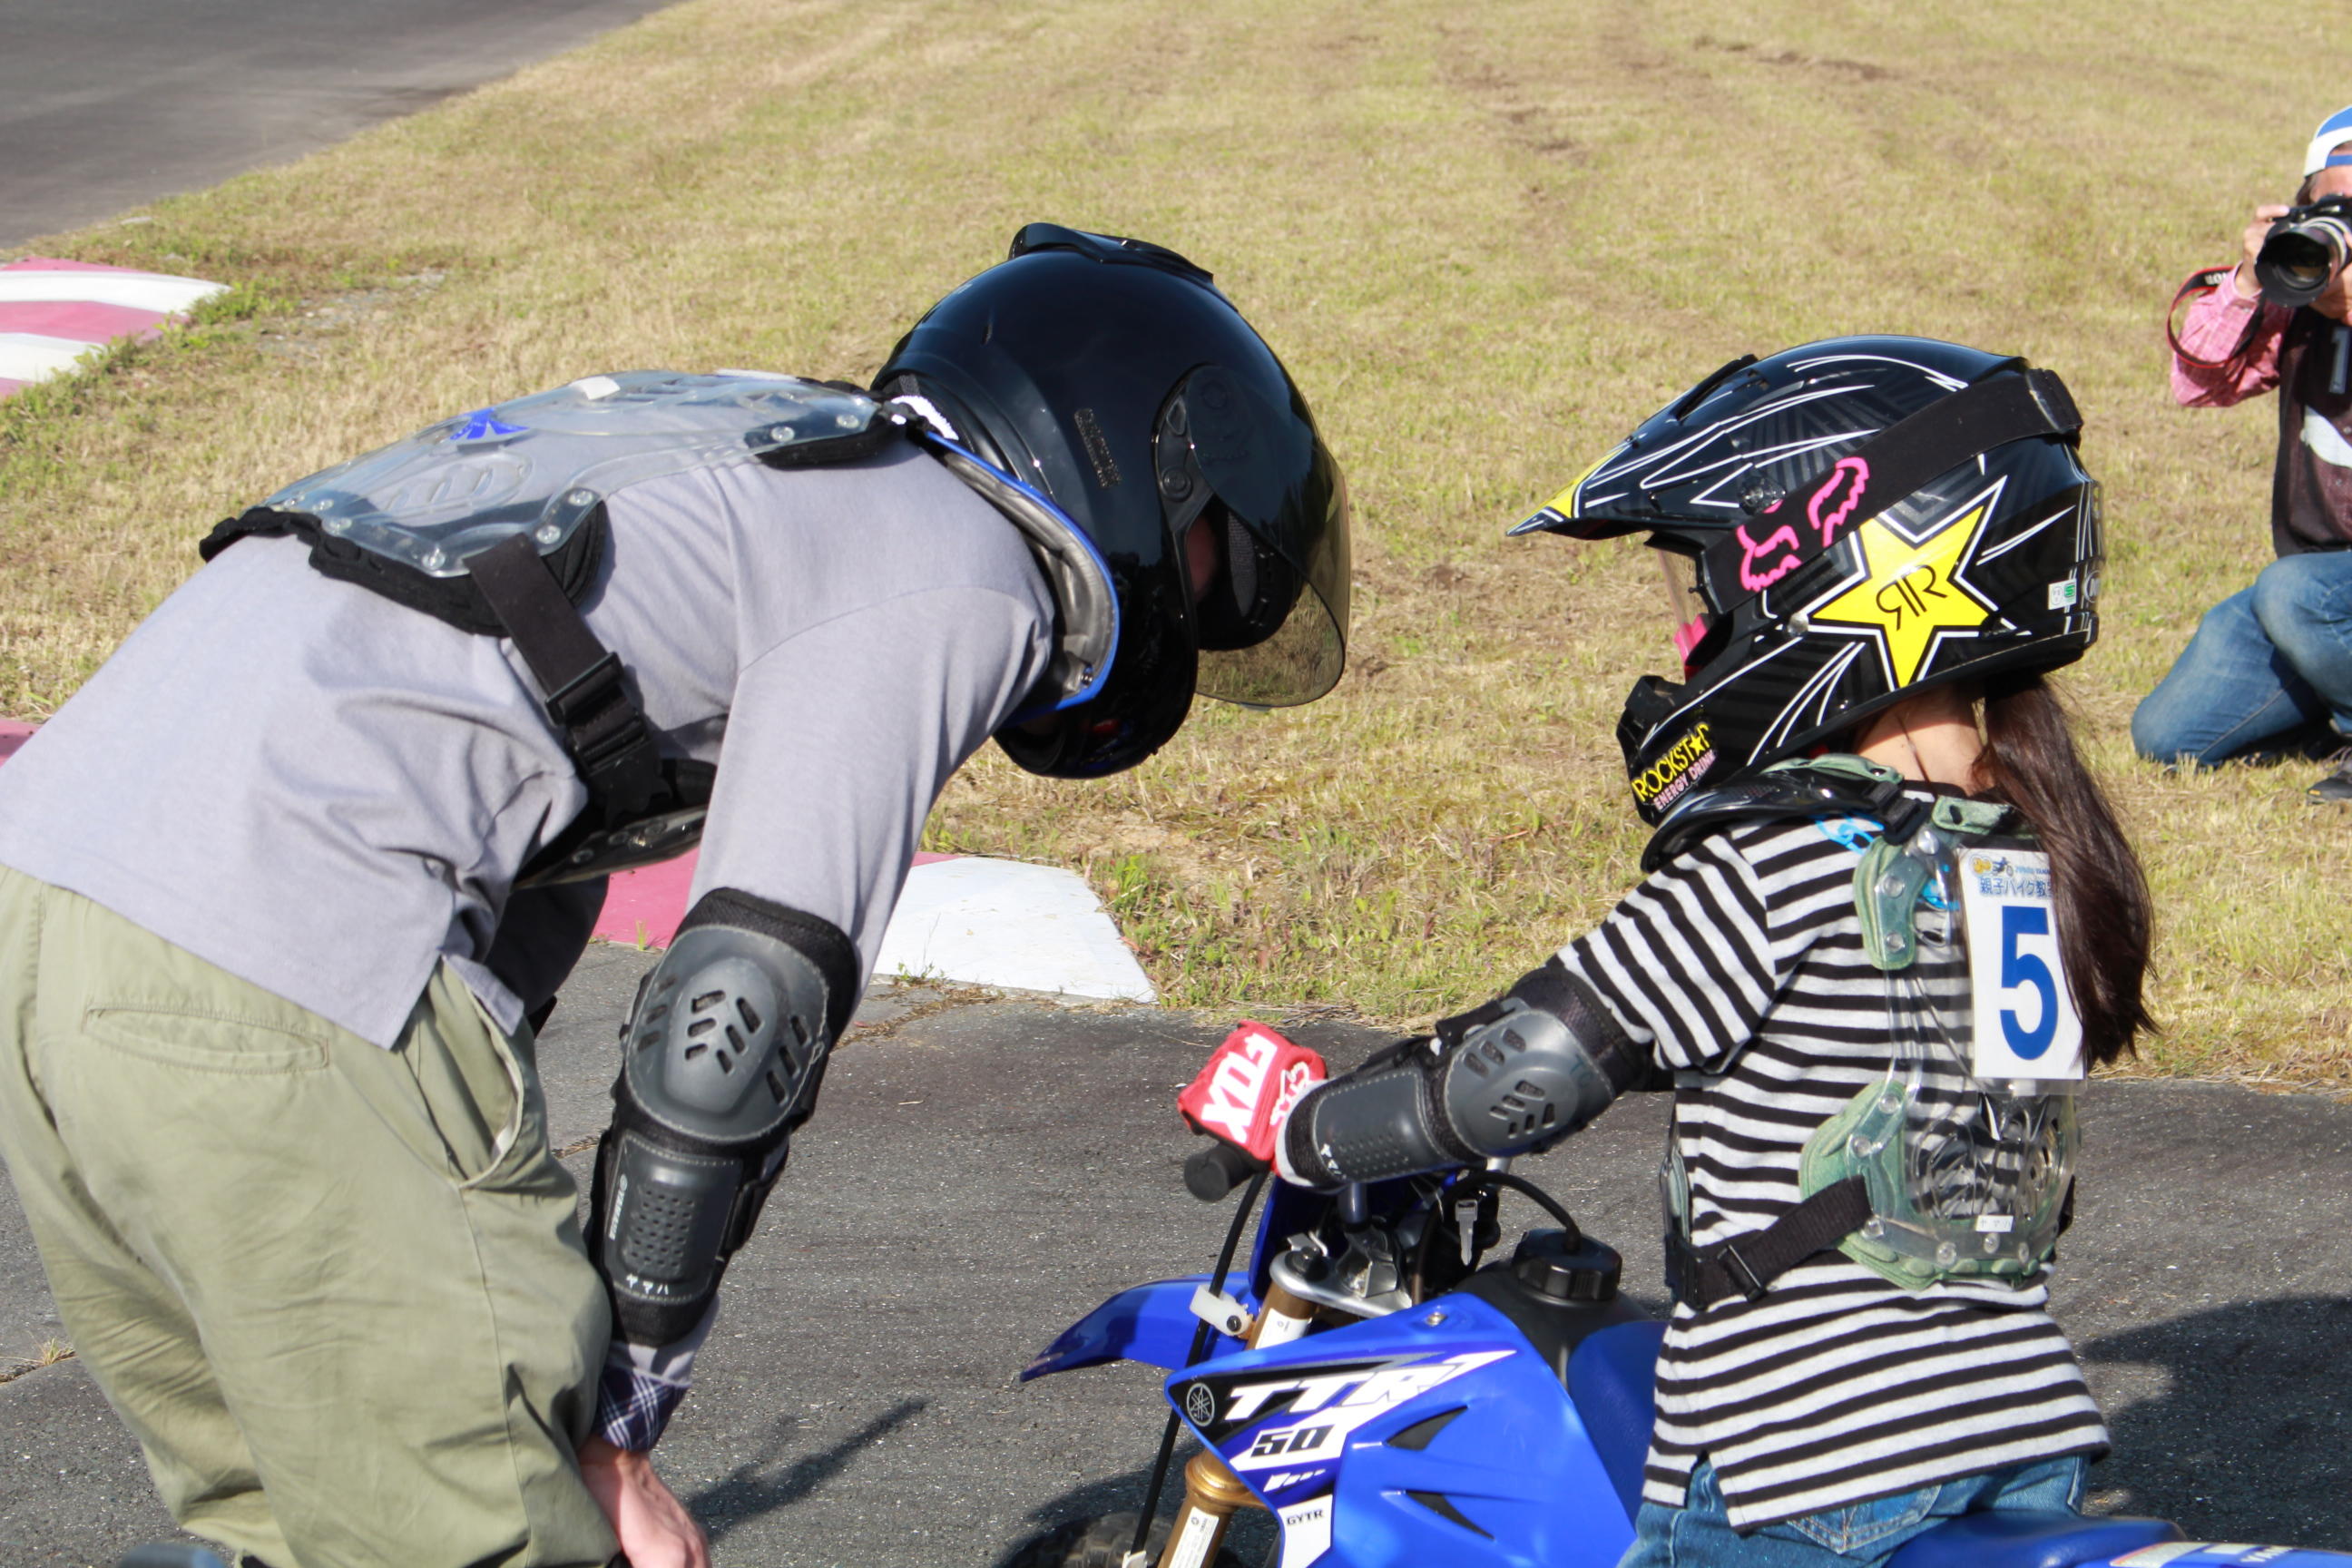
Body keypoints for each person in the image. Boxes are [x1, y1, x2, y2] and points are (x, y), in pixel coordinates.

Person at [0, 223, 1351, 1568]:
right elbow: (744, 1007)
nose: (1210, 602)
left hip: (47, 902)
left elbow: (516, 787)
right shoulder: (962, 566)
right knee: (495, 1536)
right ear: (1129, 456)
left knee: (288, 1529)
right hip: (286, 940)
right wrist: (614, 1432)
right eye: (1213, 557)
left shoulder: (748, 452)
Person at [1188, 338, 2152, 1568]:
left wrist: (1313, 1131)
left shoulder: (1779, 862)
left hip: (1810, 1461)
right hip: (2017, 1431)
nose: (1698, 639)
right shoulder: (2030, 858)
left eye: (1708, 600)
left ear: (1833, 580)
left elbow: (1520, 1072)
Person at [2134, 104, 2352, 800]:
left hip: (2311, 591)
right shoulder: (2301, 300)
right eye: (2335, 204)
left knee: (2294, 594)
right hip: (2322, 582)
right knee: (2168, 739)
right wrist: (2255, 282)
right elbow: (2196, 386)